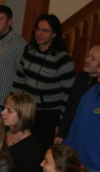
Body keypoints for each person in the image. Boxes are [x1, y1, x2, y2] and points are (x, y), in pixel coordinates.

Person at [12, 14, 75, 156]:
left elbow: (68, 96)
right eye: (38, 29)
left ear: (54, 34)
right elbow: (19, 79)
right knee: (22, 151)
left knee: (40, 153)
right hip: (27, 111)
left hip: (48, 116)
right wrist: (13, 106)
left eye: (45, 30)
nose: (39, 33)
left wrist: (61, 124)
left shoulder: (63, 61)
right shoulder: (29, 50)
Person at [55, 44, 100, 144]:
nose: (87, 60)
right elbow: (70, 106)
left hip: (86, 137)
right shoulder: (81, 77)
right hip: (69, 135)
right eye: (88, 56)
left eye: (93, 58)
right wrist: (61, 132)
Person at [1, 93, 42, 172]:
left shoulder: (30, 148)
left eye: (9, 110)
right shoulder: (4, 129)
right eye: (4, 108)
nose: (2, 112)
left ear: (23, 115)